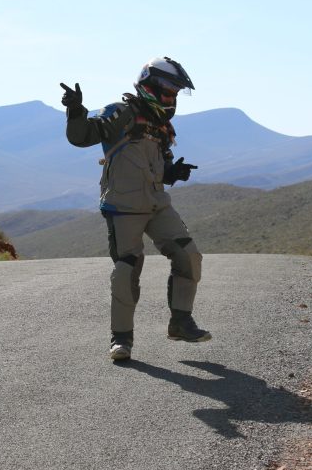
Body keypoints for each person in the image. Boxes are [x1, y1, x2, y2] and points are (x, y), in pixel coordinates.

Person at [61, 57, 211, 361]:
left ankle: (181, 323)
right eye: (168, 90)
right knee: (126, 269)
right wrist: (75, 110)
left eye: (175, 92)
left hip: (157, 203)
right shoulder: (121, 113)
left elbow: (158, 167)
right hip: (123, 206)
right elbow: (82, 136)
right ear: (150, 86)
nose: (171, 97)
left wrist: (172, 172)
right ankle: (121, 339)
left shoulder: (161, 125)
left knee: (188, 254)